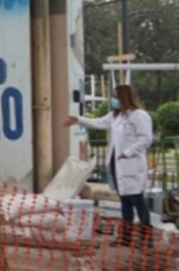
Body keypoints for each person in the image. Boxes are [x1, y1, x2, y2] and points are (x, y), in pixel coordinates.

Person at [63, 83, 154, 246]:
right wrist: (78, 120)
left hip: (131, 163)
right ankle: (126, 238)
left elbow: (146, 138)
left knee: (138, 201)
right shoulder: (115, 116)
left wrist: (128, 152)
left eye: (115, 97)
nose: (113, 100)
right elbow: (97, 122)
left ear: (124, 97)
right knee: (125, 201)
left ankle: (147, 238)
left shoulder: (139, 115)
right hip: (117, 164)